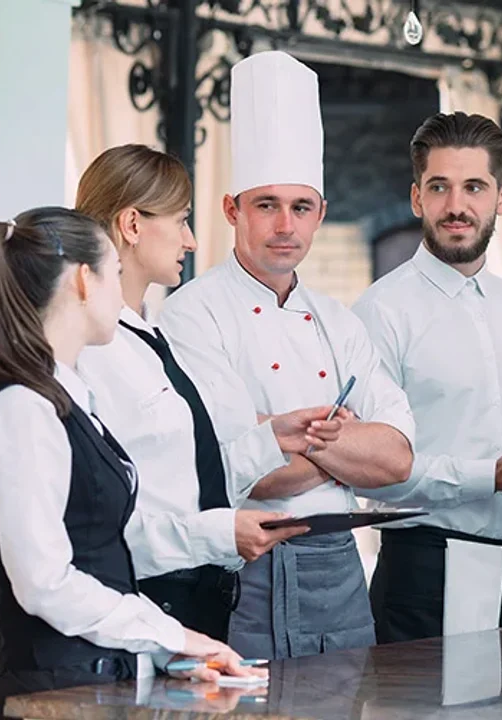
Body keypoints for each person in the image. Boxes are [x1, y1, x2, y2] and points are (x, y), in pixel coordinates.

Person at [158, 51, 415, 660]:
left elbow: (399, 458)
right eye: (265, 204)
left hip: (342, 572)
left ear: (321, 215)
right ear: (231, 210)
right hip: (245, 568)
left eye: (301, 207)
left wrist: (290, 440)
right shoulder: (191, 314)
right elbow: (242, 471)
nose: (284, 225)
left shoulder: (339, 320)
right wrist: (344, 453)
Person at [0, 208, 264, 720]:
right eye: (115, 276)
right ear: (84, 280)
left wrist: (172, 655)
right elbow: (45, 583)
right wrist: (175, 635)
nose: (122, 294)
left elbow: (103, 557)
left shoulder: (63, 400)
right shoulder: (21, 410)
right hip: (49, 698)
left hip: (90, 690)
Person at [74, 144, 344, 642]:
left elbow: (183, 472)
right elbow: (104, 525)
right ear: (132, 225)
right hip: (152, 596)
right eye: (180, 221)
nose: (192, 240)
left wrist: (273, 440)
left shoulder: (147, 335)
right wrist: (223, 532)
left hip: (195, 590)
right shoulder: (93, 353)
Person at [351, 111, 502, 643]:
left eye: (474, 187)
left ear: (500, 197)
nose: (457, 206)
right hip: (423, 574)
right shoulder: (380, 312)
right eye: (440, 187)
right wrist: (491, 476)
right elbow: (371, 471)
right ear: (417, 199)